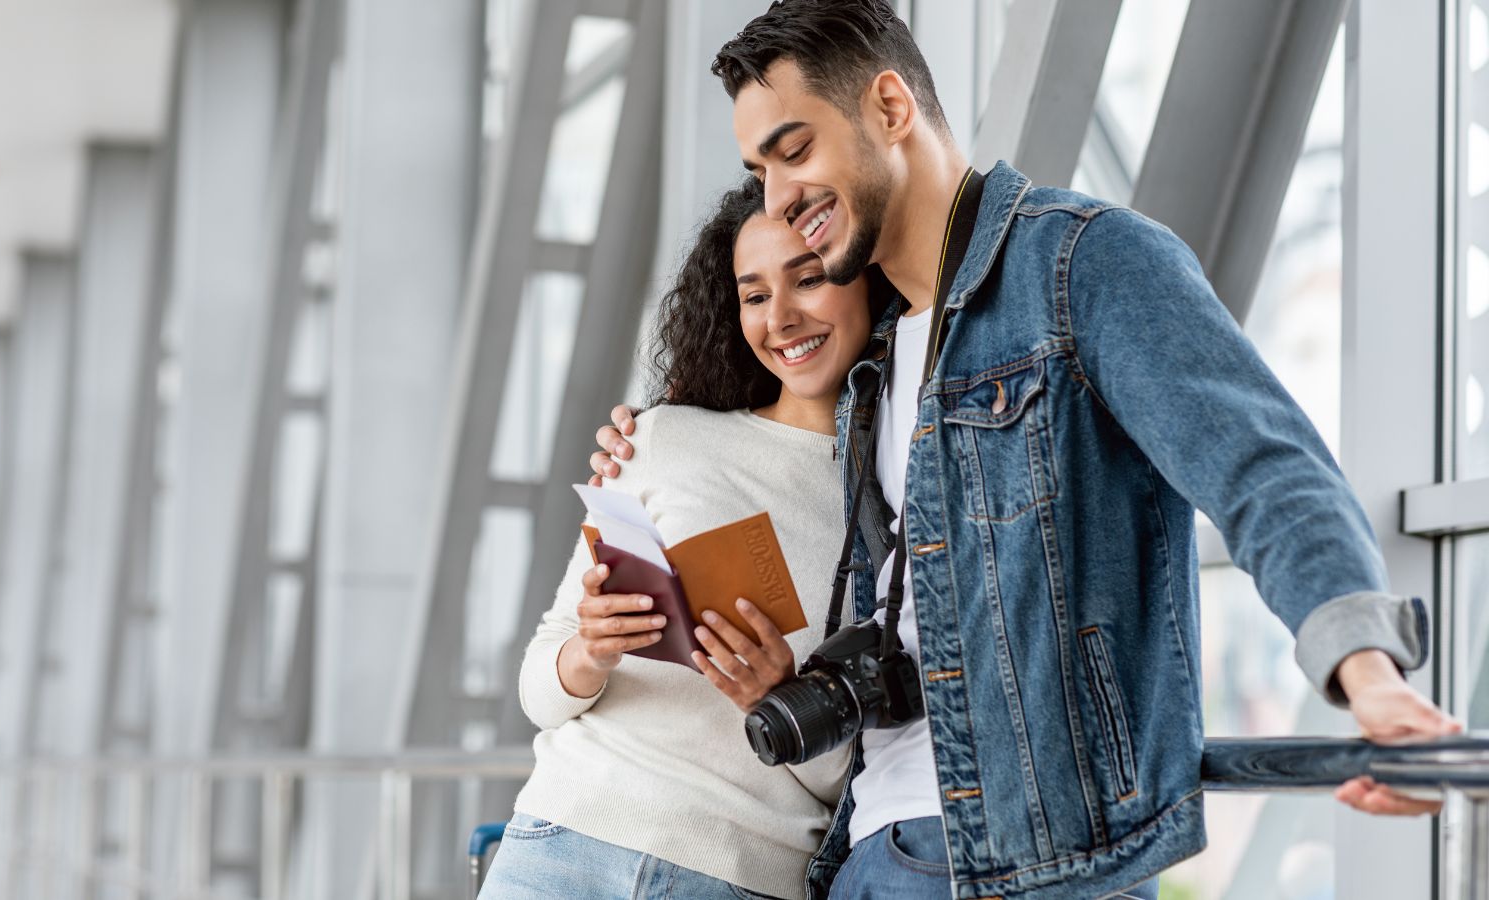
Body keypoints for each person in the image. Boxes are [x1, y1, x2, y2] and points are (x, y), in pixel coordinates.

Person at [588, 2, 1462, 898]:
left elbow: (1264, 470)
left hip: (1027, 863)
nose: (779, 198)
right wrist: (648, 440)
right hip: (866, 855)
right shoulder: (874, 358)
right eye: (760, 169)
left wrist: (1367, 675)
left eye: (795, 150)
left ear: (890, 108)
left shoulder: (1083, 265)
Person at [480, 178, 896, 900]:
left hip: (740, 875)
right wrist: (590, 650)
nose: (783, 317)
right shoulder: (661, 438)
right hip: (563, 843)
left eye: (808, 278)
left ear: (868, 278)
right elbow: (539, 690)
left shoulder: (898, 501)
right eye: (755, 294)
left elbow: (859, 779)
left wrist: (779, 697)